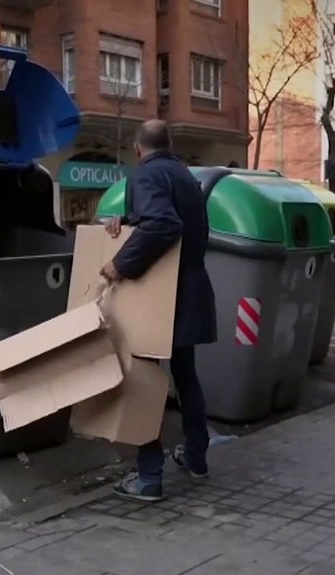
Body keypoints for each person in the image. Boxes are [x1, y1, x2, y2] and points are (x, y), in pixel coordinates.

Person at [102, 119, 216, 502]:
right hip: (190, 290)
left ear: (138, 148)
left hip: (159, 297)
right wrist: (129, 223)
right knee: (186, 376)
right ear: (168, 144)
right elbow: (172, 223)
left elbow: (165, 224)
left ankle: (149, 477)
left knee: (145, 380)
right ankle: (197, 457)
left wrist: (121, 264)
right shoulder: (185, 175)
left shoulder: (146, 175)